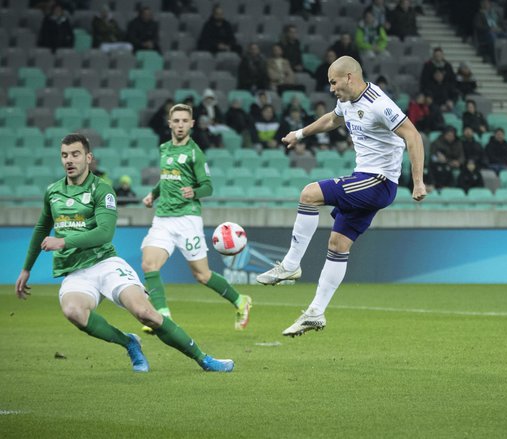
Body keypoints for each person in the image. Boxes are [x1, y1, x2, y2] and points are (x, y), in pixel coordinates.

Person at [15, 133, 233, 373]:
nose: (69, 160)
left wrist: (63, 241)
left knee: (146, 313)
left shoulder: (103, 190)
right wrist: (26, 268)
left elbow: (104, 233)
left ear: (88, 157)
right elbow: (40, 229)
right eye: (65, 155)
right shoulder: (53, 192)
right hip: (75, 272)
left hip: (106, 264)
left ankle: (204, 359)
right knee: (74, 312)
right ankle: (128, 342)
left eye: (75, 154)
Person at [255, 56, 426, 336]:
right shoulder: (346, 101)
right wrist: (300, 133)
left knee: (309, 194)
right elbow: (332, 120)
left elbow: (413, 136)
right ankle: (315, 313)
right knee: (337, 244)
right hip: (366, 179)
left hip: (377, 181)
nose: (331, 89)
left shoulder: (379, 104)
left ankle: (289, 265)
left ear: (349, 77)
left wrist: (418, 182)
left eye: (334, 82)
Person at [140, 104, 252, 333]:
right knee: (149, 264)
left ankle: (240, 301)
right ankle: (162, 315)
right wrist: (153, 193)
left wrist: (195, 192)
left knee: (202, 275)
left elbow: (208, 186)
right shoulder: (164, 149)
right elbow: (167, 178)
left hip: (187, 219)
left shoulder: (195, 153)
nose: (180, 125)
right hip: (163, 218)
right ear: (170, 123)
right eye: (176, 121)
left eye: (184, 121)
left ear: (191, 124)